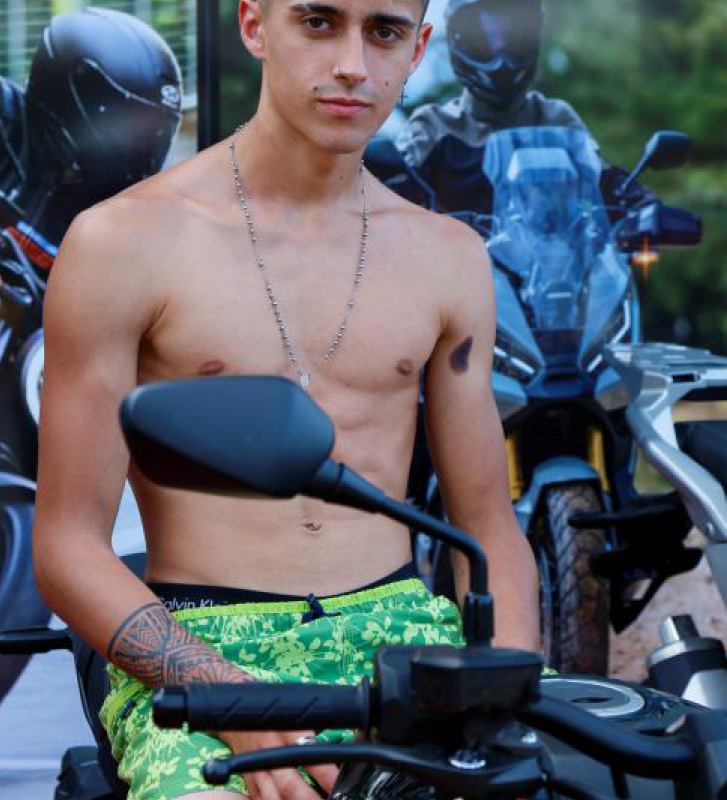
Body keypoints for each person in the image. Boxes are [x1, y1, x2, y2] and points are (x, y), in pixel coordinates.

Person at [33, 1, 541, 799]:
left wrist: (502, 694)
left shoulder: (449, 257)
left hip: (407, 643)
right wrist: (230, 697)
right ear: (253, 25)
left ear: (417, 50)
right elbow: (66, 547)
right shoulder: (121, 244)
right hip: (205, 646)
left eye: (383, 32)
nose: (352, 65)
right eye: (318, 21)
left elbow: (488, 528)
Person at [0, 7, 182, 298]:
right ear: (72, 100)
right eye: (128, 129)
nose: (143, 148)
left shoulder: (122, 211)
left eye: (153, 134)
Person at [387, 0, 650, 216]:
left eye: (514, 39)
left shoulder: (554, 118)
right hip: (452, 263)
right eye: (486, 39)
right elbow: (387, 194)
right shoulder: (433, 127)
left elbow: (604, 178)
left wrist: (645, 207)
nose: (501, 53)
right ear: (459, 40)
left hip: (553, 264)